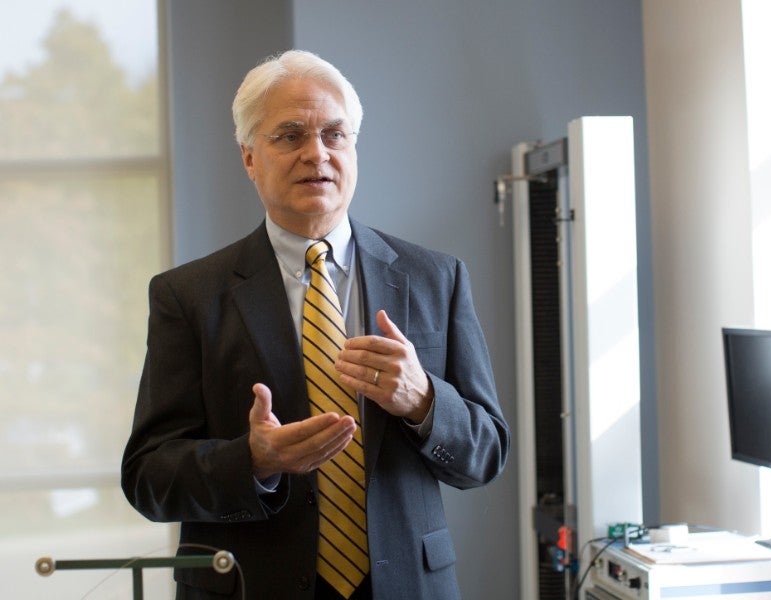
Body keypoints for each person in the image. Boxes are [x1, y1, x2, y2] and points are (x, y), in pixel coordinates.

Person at [120, 49, 509, 600]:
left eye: (335, 134)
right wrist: (253, 461)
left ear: (355, 148)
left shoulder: (435, 278)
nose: (317, 154)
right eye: (290, 136)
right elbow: (147, 477)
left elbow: (485, 454)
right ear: (249, 157)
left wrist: (423, 400)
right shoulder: (187, 296)